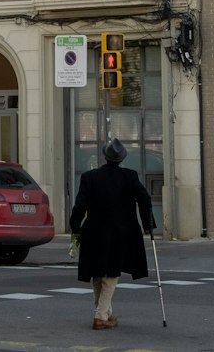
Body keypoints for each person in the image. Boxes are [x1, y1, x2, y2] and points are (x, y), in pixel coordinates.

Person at [69, 138, 155, 331]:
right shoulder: (130, 176)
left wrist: (75, 226)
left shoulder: (89, 177)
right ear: (121, 158)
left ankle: (104, 312)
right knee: (112, 273)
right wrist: (148, 224)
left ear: (105, 157)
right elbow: (145, 198)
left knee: (98, 272)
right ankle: (100, 316)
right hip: (120, 231)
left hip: (94, 230)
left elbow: (80, 205)